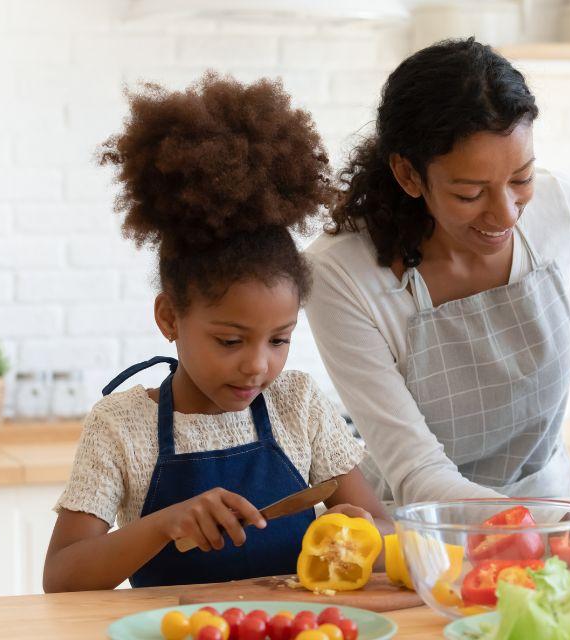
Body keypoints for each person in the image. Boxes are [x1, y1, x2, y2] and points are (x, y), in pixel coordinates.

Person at [42, 74, 387, 593]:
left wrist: (363, 534)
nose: (257, 365)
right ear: (169, 319)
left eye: (279, 339)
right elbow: (62, 578)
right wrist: (163, 524)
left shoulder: (301, 407)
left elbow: (383, 533)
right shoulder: (122, 427)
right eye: (230, 341)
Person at [305, 39, 570, 505]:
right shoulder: (340, 273)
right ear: (408, 175)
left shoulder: (561, 208)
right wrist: (559, 526)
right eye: (469, 193)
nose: (505, 215)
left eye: (521, 179)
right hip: (424, 535)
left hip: (552, 506)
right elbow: (417, 469)